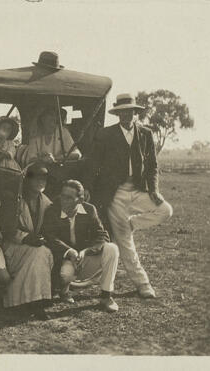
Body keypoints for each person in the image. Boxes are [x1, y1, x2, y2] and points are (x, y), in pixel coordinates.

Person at [88, 93, 173, 299]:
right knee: (125, 242)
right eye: (122, 112)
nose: (126, 115)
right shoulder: (106, 134)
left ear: (135, 113)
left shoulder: (145, 133)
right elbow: (93, 165)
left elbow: (152, 166)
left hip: (138, 189)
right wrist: (89, 188)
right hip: (114, 194)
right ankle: (143, 284)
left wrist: (153, 190)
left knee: (165, 211)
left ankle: (132, 223)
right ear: (117, 114)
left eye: (130, 111)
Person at [43, 180, 119, 312]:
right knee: (65, 275)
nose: (63, 200)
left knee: (112, 248)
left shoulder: (89, 209)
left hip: (86, 258)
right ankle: (63, 290)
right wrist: (69, 251)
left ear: (80, 200)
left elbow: (102, 236)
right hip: (65, 260)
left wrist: (86, 251)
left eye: (69, 198)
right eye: (62, 195)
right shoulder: (52, 210)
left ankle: (106, 296)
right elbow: (50, 237)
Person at [3, 162, 54, 320]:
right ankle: (36, 301)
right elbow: (6, 229)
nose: (40, 182)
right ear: (27, 180)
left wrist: (39, 238)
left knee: (42, 252)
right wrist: (25, 237)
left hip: (33, 247)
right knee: (40, 253)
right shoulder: (14, 199)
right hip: (12, 247)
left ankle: (32, 300)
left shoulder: (46, 203)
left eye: (44, 179)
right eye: (36, 178)